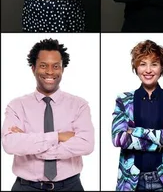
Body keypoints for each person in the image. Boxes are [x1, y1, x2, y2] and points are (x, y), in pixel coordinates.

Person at [1, 39, 94, 191]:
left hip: (70, 187)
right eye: (43, 66)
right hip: (26, 187)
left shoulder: (79, 105)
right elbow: (10, 144)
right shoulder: (16, 106)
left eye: (56, 66)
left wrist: (30, 144)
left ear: (62, 69)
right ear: (33, 68)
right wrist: (57, 137)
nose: (50, 72)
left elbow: (86, 144)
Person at [111, 40, 163, 191]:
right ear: (136, 67)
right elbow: (118, 138)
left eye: (154, 64)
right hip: (131, 181)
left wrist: (136, 131)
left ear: (161, 67)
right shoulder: (123, 100)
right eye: (143, 64)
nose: (148, 70)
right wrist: (161, 140)